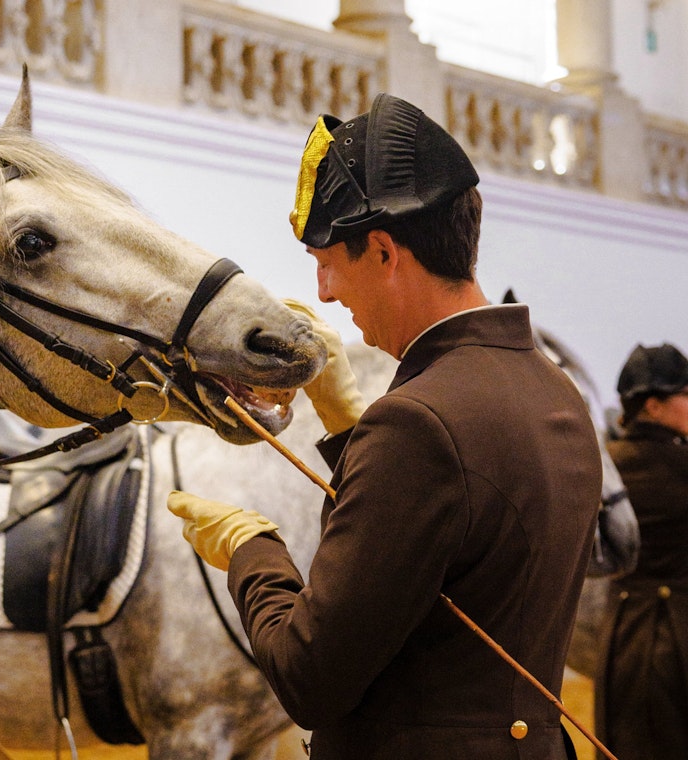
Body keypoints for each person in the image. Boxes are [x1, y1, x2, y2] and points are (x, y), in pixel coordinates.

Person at [167, 93, 602, 758]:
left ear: (382, 250)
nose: (323, 293)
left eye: (325, 260)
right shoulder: (553, 389)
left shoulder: (418, 425)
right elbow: (439, 550)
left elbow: (308, 676)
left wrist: (252, 551)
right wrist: (349, 428)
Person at [595, 342, 688, 760]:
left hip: (620, 642)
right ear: (653, 405)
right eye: (685, 394)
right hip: (676, 645)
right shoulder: (680, 466)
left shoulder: (607, 463)